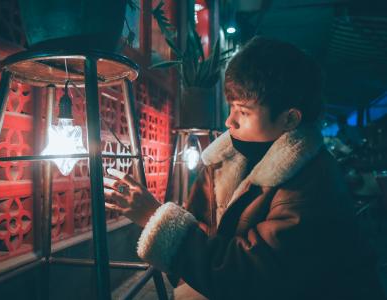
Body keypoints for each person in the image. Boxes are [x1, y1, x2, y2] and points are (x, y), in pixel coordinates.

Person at [104, 36, 385, 300]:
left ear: (289, 119)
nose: (230, 122)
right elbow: (198, 226)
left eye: (244, 112)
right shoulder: (225, 159)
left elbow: (252, 275)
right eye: (231, 108)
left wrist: (154, 217)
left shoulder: (314, 182)